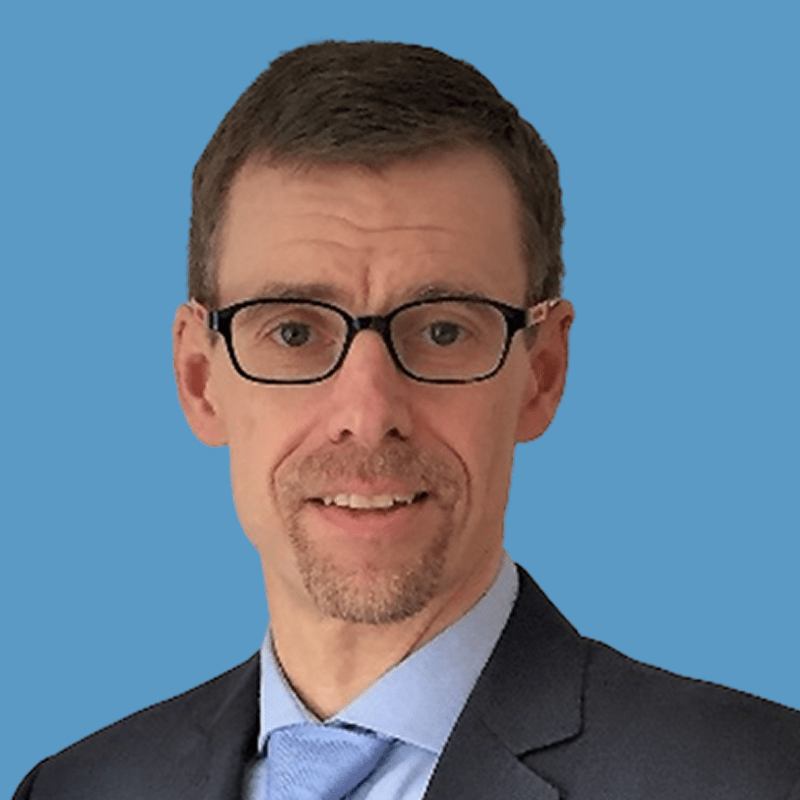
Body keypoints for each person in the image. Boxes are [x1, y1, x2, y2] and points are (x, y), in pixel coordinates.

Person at [13, 40, 800, 800]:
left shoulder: (759, 778)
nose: (367, 413)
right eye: (294, 332)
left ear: (543, 373)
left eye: (443, 330)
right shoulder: (78, 787)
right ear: (199, 377)